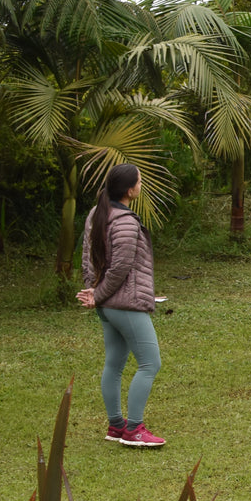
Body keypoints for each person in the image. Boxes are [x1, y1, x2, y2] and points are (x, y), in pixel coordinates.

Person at [78, 163, 165, 447]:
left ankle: (116, 426)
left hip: (107, 305)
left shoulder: (97, 213)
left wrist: (94, 291)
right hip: (125, 305)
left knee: (114, 364)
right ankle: (134, 429)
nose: (141, 185)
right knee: (150, 363)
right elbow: (120, 269)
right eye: (139, 181)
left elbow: (88, 259)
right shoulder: (125, 222)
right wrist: (99, 294)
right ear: (129, 190)